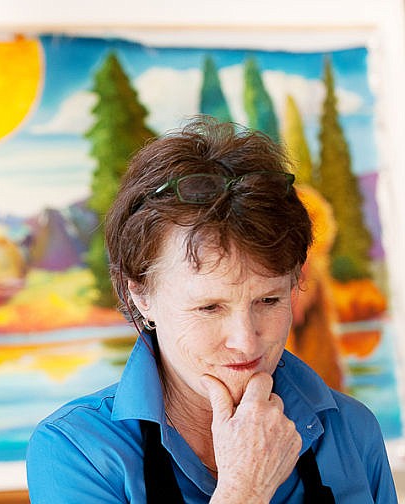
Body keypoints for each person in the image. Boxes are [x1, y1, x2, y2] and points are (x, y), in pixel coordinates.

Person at [26, 117, 397, 503]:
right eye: (209, 307)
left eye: (268, 300)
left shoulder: (353, 432)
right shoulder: (77, 451)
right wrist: (245, 489)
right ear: (140, 295)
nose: (245, 341)